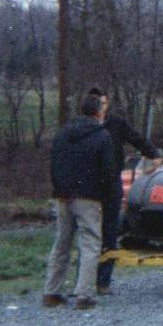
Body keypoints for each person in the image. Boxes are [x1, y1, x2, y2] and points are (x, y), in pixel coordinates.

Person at [43, 94, 113, 310]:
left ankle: (51, 292)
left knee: (61, 244)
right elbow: (108, 171)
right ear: (99, 112)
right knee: (90, 244)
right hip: (89, 197)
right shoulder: (102, 136)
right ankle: (84, 294)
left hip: (63, 196)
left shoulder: (64, 132)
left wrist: (59, 189)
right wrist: (106, 196)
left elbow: (55, 162)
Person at [88, 87, 160, 295]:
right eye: (97, 104)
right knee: (88, 234)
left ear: (107, 103)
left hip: (111, 184)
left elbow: (136, 138)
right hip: (89, 186)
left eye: (103, 103)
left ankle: (103, 282)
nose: (101, 108)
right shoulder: (83, 126)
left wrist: (153, 154)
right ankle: (83, 280)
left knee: (110, 231)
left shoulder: (116, 123)